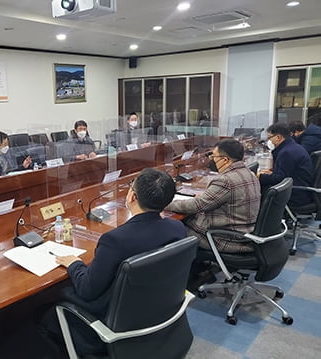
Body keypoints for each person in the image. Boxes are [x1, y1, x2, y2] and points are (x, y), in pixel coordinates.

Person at [38, 168, 186, 357]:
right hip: (156, 310)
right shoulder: (177, 228)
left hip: (114, 322)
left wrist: (74, 263)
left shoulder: (115, 240)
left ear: (132, 196)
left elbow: (87, 290)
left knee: (46, 311)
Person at [166, 139, 261, 254]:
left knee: (175, 227)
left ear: (225, 160)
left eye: (214, 157)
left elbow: (197, 205)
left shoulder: (225, 181)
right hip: (245, 233)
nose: (212, 161)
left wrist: (166, 203)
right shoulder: (250, 174)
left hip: (225, 238)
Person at [258, 123, 313, 207]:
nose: (270, 141)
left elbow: (280, 179)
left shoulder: (286, 153)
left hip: (295, 195)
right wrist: (271, 173)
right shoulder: (293, 147)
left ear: (278, 137)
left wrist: (259, 177)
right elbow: (285, 173)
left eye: (270, 138)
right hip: (301, 189)